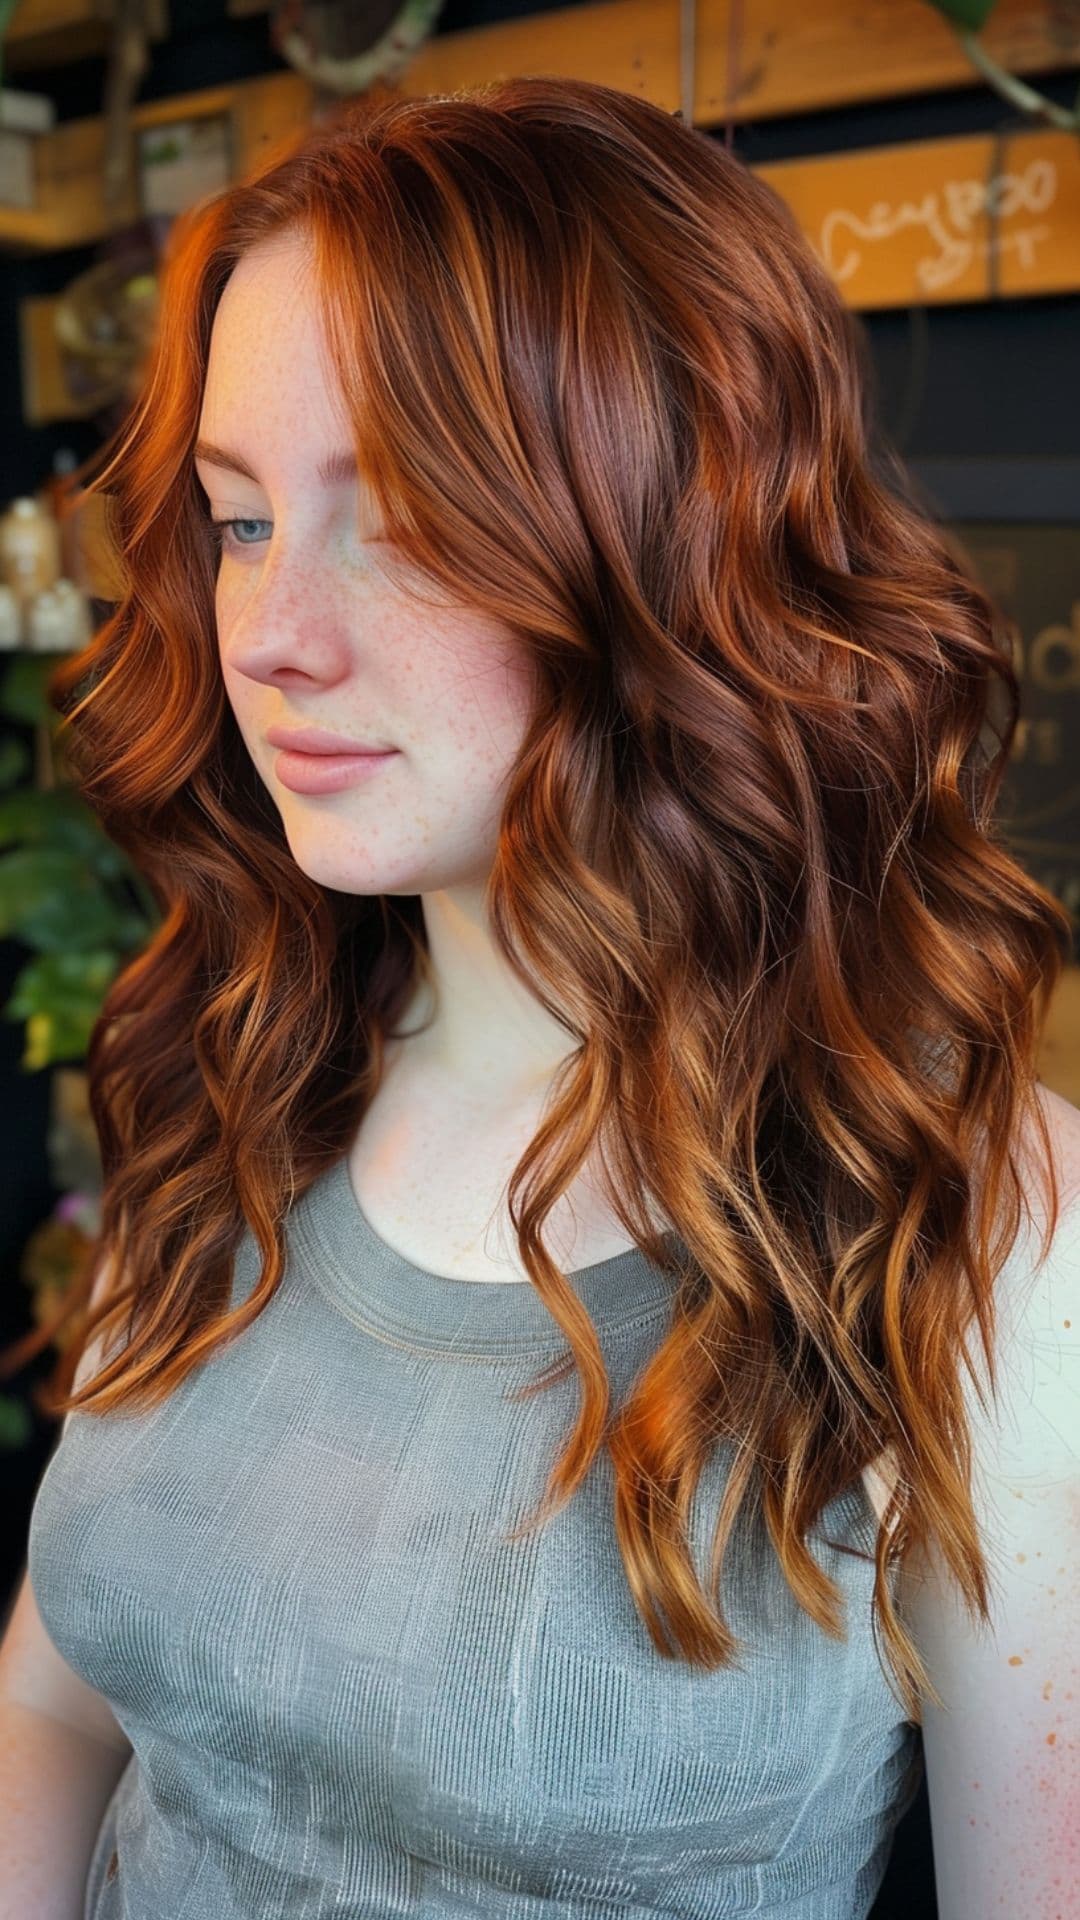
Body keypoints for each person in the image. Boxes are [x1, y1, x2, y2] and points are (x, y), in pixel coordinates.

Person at [1, 75, 1077, 1920]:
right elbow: (52, 1699)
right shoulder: (246, 1066)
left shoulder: (980, 1225)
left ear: (671, 540)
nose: (267, 634)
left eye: (404, 521)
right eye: (242, 522)